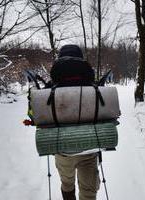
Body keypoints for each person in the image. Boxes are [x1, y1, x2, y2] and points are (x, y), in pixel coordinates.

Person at [50, 44, 100, 200]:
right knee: (88, 191)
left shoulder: (50, 88)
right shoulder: (93, 86)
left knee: (67, 184)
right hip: (89, 148)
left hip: (62, 149)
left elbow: (36, 116)